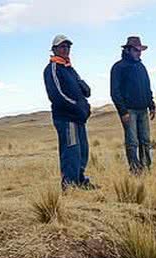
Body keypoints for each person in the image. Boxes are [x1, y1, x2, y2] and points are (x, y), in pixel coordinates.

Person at [43, 34, 94, 189]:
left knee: (82, 149)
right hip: (66, 117)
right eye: (62, 47)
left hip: (78, 117)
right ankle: (69, 185)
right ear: (54, 49)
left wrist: (84, 99)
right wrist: (78, 107)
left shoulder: (69, 68)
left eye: (68, 47)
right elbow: (56, 95)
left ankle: (80, 180)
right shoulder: (52, 68)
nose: (66, 50)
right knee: (71, 149)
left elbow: (83, 88)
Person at [110, 36, 156, 175]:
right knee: (132, 141)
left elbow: (146, 87)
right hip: (129, 110)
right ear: (128, 50)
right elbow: (115, 92)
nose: (139, 53)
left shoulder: (141, 66)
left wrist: (151, 104)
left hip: (143, 109)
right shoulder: (119, 67)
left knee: (145, 140)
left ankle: (146, 168)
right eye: (136, 50)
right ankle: (135, 170)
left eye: (140, 50)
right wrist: (123, 111)